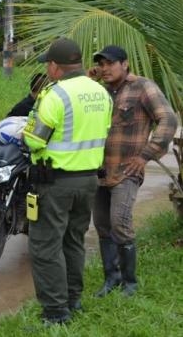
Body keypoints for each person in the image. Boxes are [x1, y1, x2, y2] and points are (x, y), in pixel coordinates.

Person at [22, 38, 112, 324]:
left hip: (55, 183)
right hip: (88, 182)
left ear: (54, 66)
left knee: (46, 246)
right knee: (73, 242)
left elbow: (34, 141)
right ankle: (74, 300)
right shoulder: (101, 93)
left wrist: (26, 129)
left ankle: (55, 312)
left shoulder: (55, 95)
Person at [89, 45, 177, 297]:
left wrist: (146, 155)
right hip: (99, 171)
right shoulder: (99, 90)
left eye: (110, 63)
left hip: (127, 170)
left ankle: (130, 282)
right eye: (101, 64)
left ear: (124, 64)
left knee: (120, 223)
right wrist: (87, 79)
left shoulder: (143, 87)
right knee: (103, 225)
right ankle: (111, 279)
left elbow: (168, 119)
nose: (105, 68)